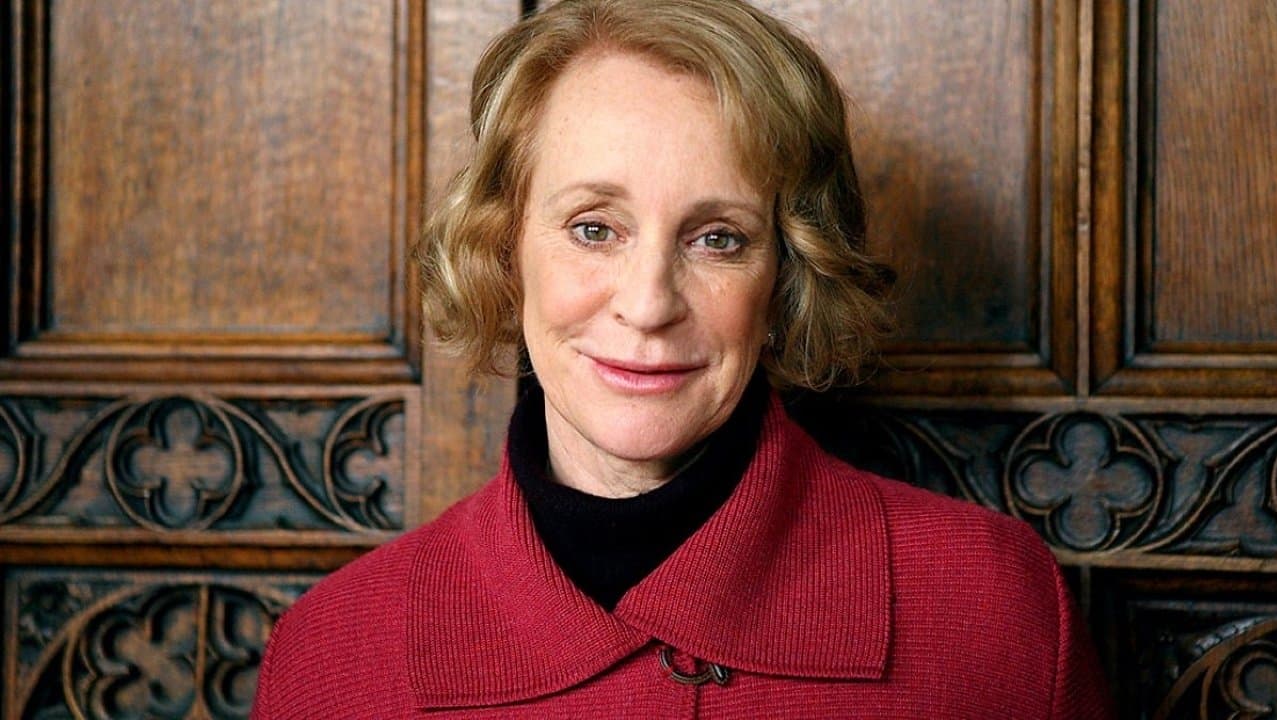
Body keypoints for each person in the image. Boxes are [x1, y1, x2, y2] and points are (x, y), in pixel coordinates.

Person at [251, 1, 1115, 717]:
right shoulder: (334, 656)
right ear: (503, 249)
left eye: (717, 238)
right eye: (594, 228)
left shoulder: (994, 613)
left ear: (786, 274)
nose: (649, 303)